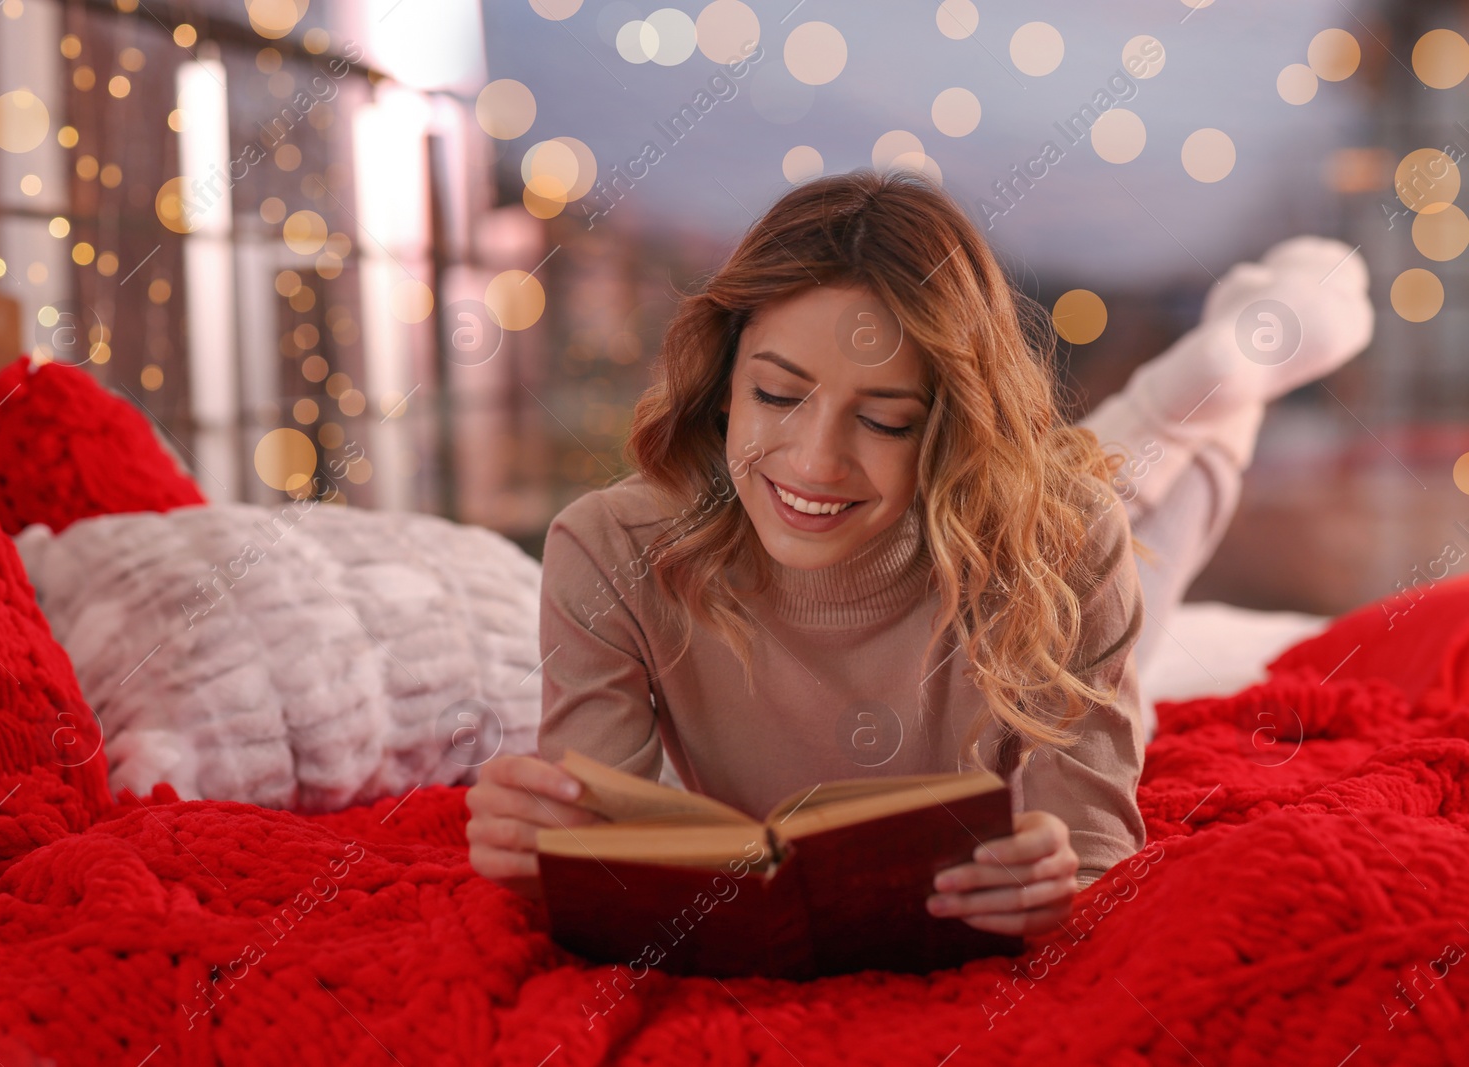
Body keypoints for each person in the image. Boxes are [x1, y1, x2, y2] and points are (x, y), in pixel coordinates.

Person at [466, 168, 1373, 938]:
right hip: (987, 512)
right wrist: (545, 853)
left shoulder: (1068, 544)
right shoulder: (609, 548)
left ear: (952, 429)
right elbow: (604, 846)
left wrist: (1061, 884)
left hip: (1014, 531)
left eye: (884, 419)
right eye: (777, 395)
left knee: (1144, 520)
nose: (814, 461)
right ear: (724, 381)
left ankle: (1249, 349)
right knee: (1107, 489)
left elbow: (1091, 848)